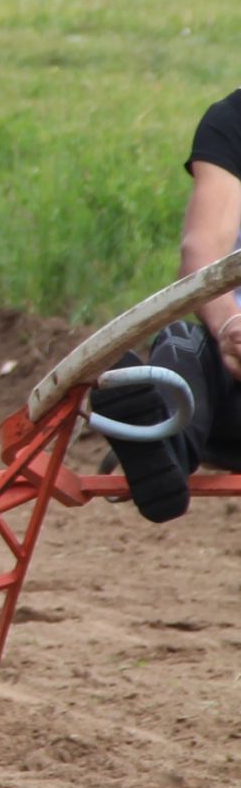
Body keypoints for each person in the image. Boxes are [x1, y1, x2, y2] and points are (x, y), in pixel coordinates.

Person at [100, 89, 241, 523]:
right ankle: (159, 452)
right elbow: (202, 252)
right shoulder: (233, 123)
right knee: (181, 344)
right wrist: (229, 325)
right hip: (234, 377)